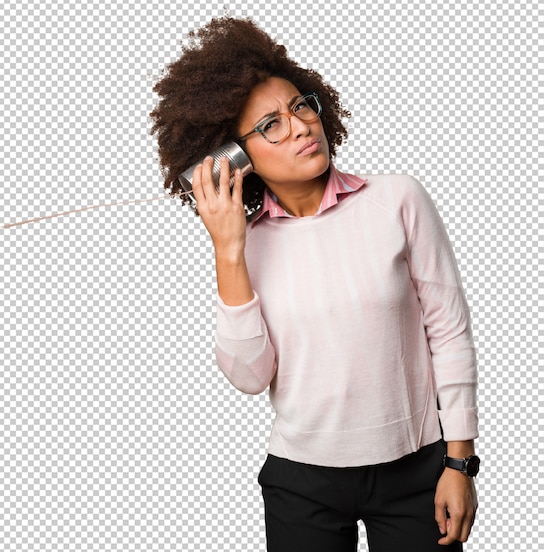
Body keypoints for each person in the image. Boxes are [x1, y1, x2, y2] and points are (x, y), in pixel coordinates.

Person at [150, 17, 479, 552]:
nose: (301, 126)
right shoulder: (246, 244)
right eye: (270, 126)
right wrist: (229, 249)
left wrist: (460, 462)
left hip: (416, 470)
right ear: (234, 156)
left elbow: (450, 334)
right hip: (302, 482)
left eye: (300, 106)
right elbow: (250, 377)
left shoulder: (398, 200)